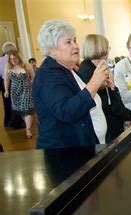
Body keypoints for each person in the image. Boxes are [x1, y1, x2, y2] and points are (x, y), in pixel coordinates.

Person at [33, 20, 109, 149]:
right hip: (64, 152)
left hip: (81, 146)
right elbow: (66, 111)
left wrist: (99, 84)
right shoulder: (48, 75)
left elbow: (77, 97)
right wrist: (94, 83)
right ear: (52, 50)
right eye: (68, 42)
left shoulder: (68, 69)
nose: (75, 46)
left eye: (75, 40)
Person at [78, 34, 131, 143]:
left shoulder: (97, 66)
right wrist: (126, 114)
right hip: (105, 120)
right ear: (100, 49)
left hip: (112, 119)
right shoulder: (87, 69)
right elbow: (107, 97)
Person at [3, 51, 36, 138]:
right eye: (11, 59)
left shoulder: (26, 65)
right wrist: (6, 90)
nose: (13, 60)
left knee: (27, 108)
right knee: (21, 110)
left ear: (19, 57)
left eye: (15, 58)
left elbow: (33, 77)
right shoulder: (8, 67)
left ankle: (28, 129)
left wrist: (35, 88)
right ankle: (27, 125)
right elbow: (6, 79)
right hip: (15, 91)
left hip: (27, 89)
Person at [0, 42, 18, 127]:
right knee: (16, 102)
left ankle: (7, 121)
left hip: (3, 82)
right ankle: (16, 121)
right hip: (14, 81)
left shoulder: (0, 60)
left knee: (7, 102)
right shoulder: (15, 58)